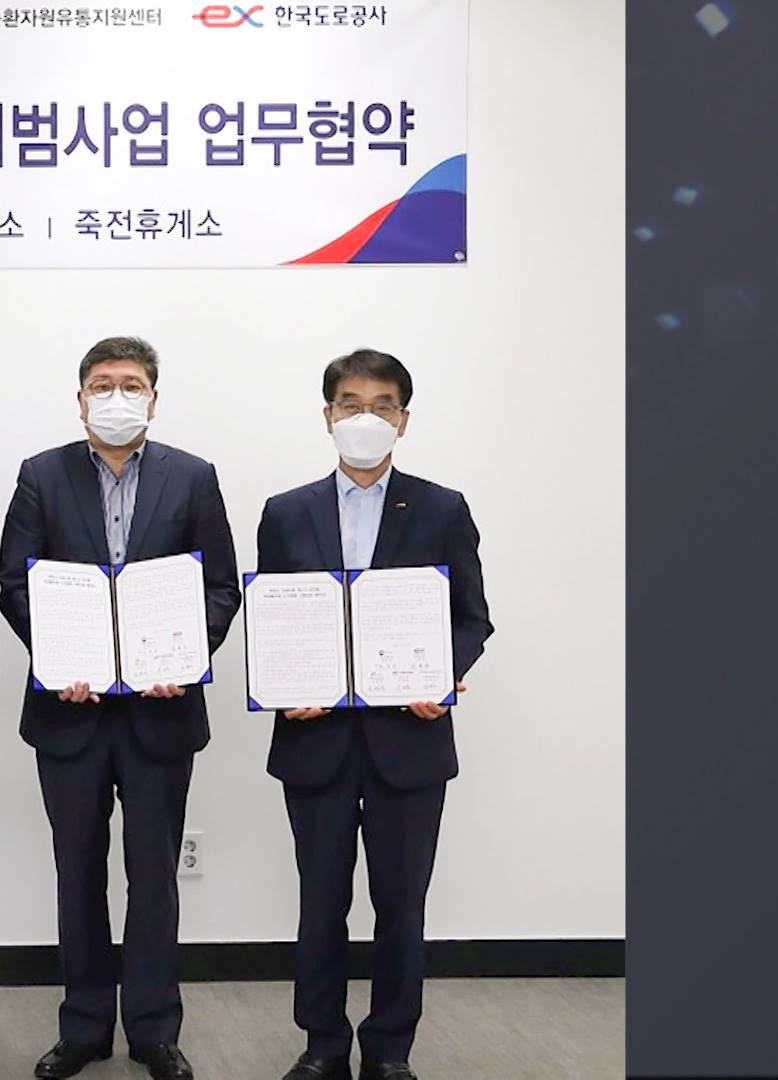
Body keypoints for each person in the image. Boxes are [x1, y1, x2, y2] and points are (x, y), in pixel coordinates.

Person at [0, 337, 240, 1080]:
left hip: (160, 715)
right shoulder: (41, 475)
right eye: (102, 384)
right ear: (80, 400)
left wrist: (182, 659)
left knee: (153, 877)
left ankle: (154, 1030)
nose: (116, 397)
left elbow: (221, 587)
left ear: (153, 400)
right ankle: (82, 1029)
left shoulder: (193, 477)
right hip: (69, 714)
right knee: (77, 873)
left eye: (131, 385)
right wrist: (60, 656)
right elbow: (14, 582)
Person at [256, 349, 493, 1080]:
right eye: (351, 404)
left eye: (382, 405)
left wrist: (442, 675)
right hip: (315, 738)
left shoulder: (442, 507)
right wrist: (281, 683)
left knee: (402, 907)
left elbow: (471, 618)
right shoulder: (285, 512)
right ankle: (322, 1045)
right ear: (328, 416)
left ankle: (390, 1050)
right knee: (320, 904)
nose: (366, 417)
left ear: (403, 420)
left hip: (409, 740)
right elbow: (273, 617)